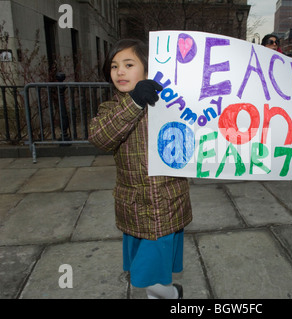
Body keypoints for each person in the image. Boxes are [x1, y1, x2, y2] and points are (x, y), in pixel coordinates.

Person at [88, 39, 193, 299]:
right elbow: (101, 137)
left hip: (167, 204)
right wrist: (134, 102)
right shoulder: (112, 108)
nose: (119, 71)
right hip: (135, 207)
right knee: (146, 272)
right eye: (114, 66)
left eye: (128, 64)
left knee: (148, 272)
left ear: (148, 70)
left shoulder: (173, 106)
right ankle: (168, 294)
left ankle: (167, 295)